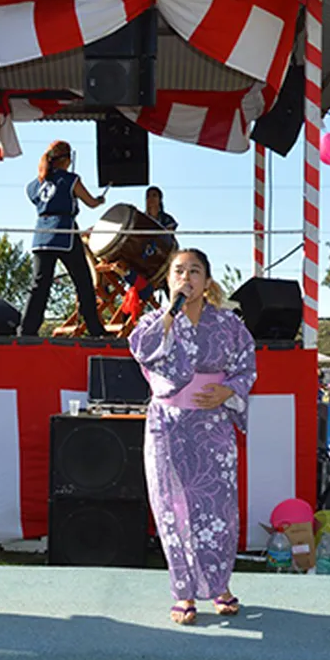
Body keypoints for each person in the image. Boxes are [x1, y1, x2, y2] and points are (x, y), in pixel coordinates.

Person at [129, 248, 256, 625]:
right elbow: (142, 349)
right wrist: (169, 316)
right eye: (179, 271)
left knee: (218, 509)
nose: (187, 278)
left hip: (213, 426)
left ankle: (219, 585)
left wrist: (229, 390)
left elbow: (247, 363)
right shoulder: (155, 320)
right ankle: (183, 592)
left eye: (195, 271)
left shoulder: (228, 324)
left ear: (207, 280)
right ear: (169, 281)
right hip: (168, 426)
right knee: (173, 510)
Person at [19, 140, 108, 337]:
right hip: (64, 232)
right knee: (83, 281)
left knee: (39, 285)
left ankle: (26, 330)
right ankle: (94, 328)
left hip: (41, 234)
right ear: (67, 160)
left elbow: (35, 196)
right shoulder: (70, 180)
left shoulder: (36, 184)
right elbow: (91, 202)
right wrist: (100, 200)